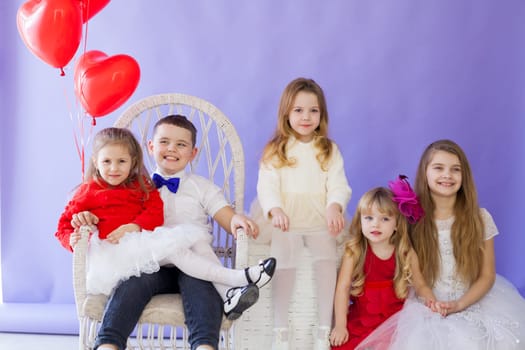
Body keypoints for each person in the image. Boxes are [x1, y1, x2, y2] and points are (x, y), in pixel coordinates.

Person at [57, 118, 275, 350]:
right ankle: (108, 343)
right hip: (151, 265)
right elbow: (101, 209)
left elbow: (223, 213)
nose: (171, 149)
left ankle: (204, 345)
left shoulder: (201, 186)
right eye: (164, 142)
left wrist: (235, 219)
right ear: (150, 147)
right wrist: (86, 221)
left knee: (202, 289)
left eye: (181, 145)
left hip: (194, 264)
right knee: (131, 286)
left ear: (193, 152)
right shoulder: (133, 184)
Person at [357, 139, 525, 349]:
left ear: (464, 177)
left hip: (471, 299)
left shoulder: (480, 218)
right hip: (426, 301)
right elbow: (375, 235)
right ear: (425, 172)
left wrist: (460, 304)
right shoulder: (410, 218)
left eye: (456, 169)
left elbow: (487, 275)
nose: (447, 175)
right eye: (438, 168)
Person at [256, 77, 352, 350]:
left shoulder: (329, 150)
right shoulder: (277, 149)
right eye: (298, 110)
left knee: (326, 261)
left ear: (322, 114)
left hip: (318, 217)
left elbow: (338, 184)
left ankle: (324, 329)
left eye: (313, 110)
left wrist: (334, 205)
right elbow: (267, 185)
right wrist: (275, 209)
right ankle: (280, 332)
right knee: (284, 262)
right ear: (286, 113)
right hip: (285, 218)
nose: (306, 117)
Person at [329, 176, 425, 349]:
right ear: (360, 221)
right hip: (363, 321)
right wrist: (340, 325)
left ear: (397, 224)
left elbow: (421, 286)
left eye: (385, 219)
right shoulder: (355, 251)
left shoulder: (405, 252)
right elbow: (342, 289)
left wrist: (433, 303)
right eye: (369, 218)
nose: (376, 225)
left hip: (396, 321)